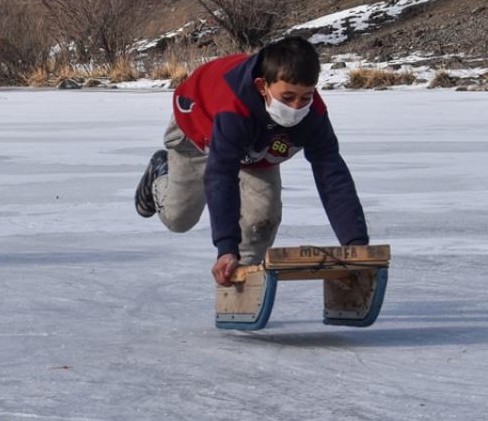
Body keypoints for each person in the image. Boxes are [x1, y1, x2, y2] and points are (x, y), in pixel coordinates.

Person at [134, 36, 369, 286]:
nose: (297, 107)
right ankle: (159, 172)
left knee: (262, 220)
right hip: (199, 130)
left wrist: (356, 246)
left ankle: (239, 284)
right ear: (262, 86)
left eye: (306, 97)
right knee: (178, 219)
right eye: (288, 98)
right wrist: (226, 247)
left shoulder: (314, 115)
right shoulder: (233, 106)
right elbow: (221, 175)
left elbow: (331, 174)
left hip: (259, 145)